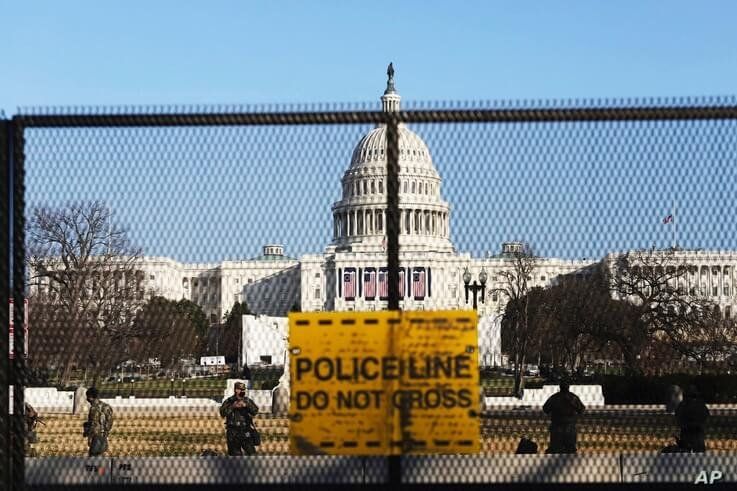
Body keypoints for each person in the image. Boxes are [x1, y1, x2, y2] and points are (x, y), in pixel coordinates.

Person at [542, 380, 585, 454]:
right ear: (568, 387)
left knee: (555, 449)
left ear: (560, 387)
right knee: (570, 449)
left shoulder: (554, 397)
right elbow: (581, 409)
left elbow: (545, 409)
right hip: (570, 426)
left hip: (557, 426)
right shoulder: (573, 397)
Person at [220, 381, 259, 456]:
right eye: (241, 390)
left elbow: (255, 411)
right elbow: (222, 413)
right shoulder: (229, 401)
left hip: (245, 430)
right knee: (235, 456)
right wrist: (232, 407)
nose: (243, 391)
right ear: (236, 390)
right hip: (233, 431)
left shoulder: (247, 400)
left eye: (244, 390)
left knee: (252, 454)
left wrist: (246, 406)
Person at [675, 384, 710, 452]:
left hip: (686, 434)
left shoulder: (682, 405)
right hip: (697, 435)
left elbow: (678, 419)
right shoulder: (700, 404)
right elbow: (706, 417)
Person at [83, 387, 114, 456]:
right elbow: (110, 422)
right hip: (104, 435)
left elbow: (93, 424)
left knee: (93, 457)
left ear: (90, 397)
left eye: (87, 397)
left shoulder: (93, 408)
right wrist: (106, 432)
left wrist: (88, 435)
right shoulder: (107, 406)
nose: (87, 399)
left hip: (95, 436)